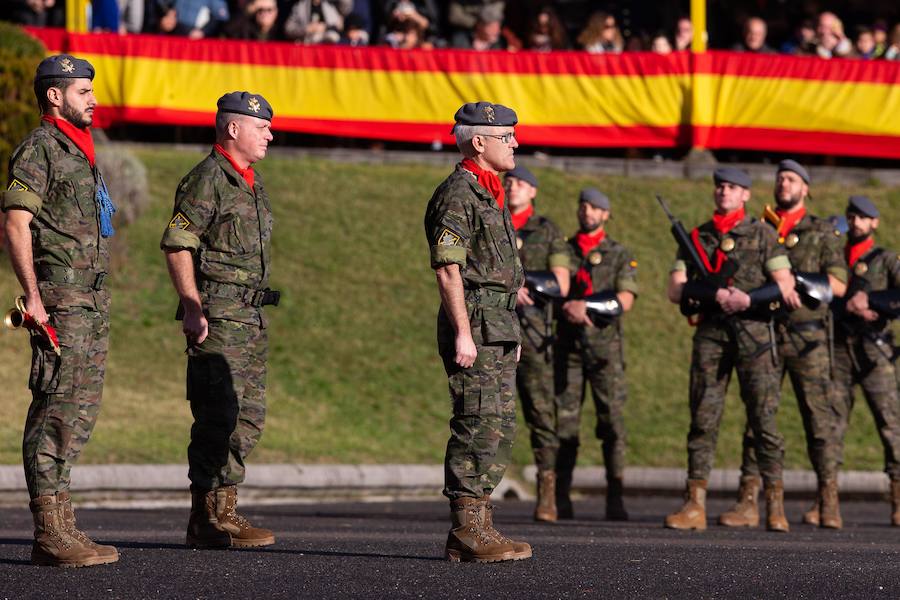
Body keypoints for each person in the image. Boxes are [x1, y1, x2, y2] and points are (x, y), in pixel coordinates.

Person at [2, 54, 118, 568]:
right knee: (54, 409)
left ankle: (63, 524)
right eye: (83, 90)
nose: (93, 98)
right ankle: (50, 531)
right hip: (60, 301)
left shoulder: (79, 151)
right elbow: (15, 222)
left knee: (78, 410)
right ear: (55, 95)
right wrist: (33, 295)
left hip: (90, 301)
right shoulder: (40, 149)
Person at [160, 91, 279, 549]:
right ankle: (205, 515)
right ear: (233, 129)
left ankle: (226, 509)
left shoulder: (251, 181)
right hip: (218, 315)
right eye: (261, 126)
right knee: (217, 414)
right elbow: (178, 243)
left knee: (248, 417)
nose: (269, 133)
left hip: (249, 317)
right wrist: (192, 305)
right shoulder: (207, 179)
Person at [423, 101, 531, 563]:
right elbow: (450, 270)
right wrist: (464, 333)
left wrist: (515, 332)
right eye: (507, 137)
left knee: (498, 425)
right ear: (479, 141)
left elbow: (502, 274)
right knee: (476, 421)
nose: (516, 144)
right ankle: (467, 528)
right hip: (478, 326)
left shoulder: (492, 191)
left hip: (499, 325)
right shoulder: (459, 194)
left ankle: (481, 523)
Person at [664, 167, 797, 532]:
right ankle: (695, 503)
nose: (724, 192)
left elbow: (784, 285)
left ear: (746, 196)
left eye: (733, 188)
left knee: (764, 420)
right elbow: (676, 289)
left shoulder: (763, 235)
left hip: (754, 335)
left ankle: (772, 502)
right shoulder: (696, 237)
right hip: (711, 334)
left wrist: (747, 299)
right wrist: (714, 294)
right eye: (720, 186)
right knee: (703, 418)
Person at [718, 160, 848, 529]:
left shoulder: (821, 231)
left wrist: (796, 283)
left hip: (808, 339)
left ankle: (828, 500)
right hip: (765, 334)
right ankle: (749, 501)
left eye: (791, 179)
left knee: (819, 422)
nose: (783, 184)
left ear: (805, 188)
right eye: (779, 179)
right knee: (757, 420)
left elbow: (838, 286)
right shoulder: (760, 230)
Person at [554, 189, 638, 521]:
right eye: (583, 206)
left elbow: (625, 299)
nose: (587, 212)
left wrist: (584, 305)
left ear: (606, 214)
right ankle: (559, 496)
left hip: (605, 352)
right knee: (564, 424)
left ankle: (615, 495)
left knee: (612, 424)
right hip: (568, 347)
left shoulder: (619, 254)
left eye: (595, 208)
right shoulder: (563, 250)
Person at [504, 165, 570, 522]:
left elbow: (561, 282)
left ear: (533, 192)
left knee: (542, 415)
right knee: (493, 413)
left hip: (534, 335)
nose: (512, 187)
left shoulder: (547, 232)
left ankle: (547, 493)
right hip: (496, 330)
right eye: (509, 181)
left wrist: (521, 283)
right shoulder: (493, 218)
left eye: (520, 184)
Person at [831, 196, 900, 526]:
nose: (855, 222)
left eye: (863, 217)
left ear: (874, 223)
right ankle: (826, 500)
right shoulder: (834, 256)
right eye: (851, 216)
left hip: (874, 349)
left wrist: (871, 300)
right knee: (831, 425)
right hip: (838, 348)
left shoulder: (885, 259)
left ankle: (899, 498)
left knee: (891, 425)